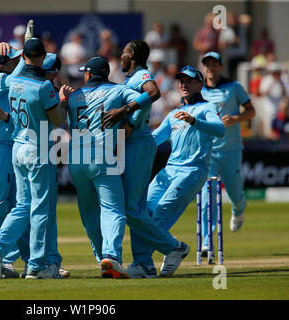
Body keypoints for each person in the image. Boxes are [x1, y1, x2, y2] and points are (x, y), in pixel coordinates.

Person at [101, 40, 191, 278]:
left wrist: (125, 113)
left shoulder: (141, 74)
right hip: (132, 144)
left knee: (130, 208)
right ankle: (144, 263)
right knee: (135, 208)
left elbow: (153, 92)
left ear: (132, 54)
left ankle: (174, 248)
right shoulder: (131, 79)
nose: (120, 57)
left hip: (138, 142)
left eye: (123, 53)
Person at [0, 38, 68, 280]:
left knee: (23, 205)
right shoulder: (43, 86)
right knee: (39, 209)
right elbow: (58, 121)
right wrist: (63, 102)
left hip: (18, 145)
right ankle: (36, 266)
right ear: (41, 58)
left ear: (25, 57)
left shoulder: (14, 80)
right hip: (38, 148)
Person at [141, 65, 225, 274]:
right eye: (181, 80)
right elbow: (155, 140)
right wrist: (132, 141)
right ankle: (172, 250)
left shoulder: (207, 107)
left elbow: (220, 130)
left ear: (199, 83)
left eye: (189, 80)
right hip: (169, 171)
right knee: (145, 212)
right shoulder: (174, 113)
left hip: (192, 171)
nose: (184, 84)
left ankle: (145, 262)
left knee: (161, 212)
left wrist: (195, 121)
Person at [200, 52, 255, 254]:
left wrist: (236, 118)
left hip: (231, 150)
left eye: (214, 65)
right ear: (203, 68)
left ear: (221, 67)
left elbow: (251, 110)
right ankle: (207, 241)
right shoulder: (199, 89)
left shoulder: (233, 87)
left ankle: (238, 210)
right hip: (209, 152)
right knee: (208, 197)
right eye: (207, 65)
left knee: (235, 194)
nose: (211, 69)